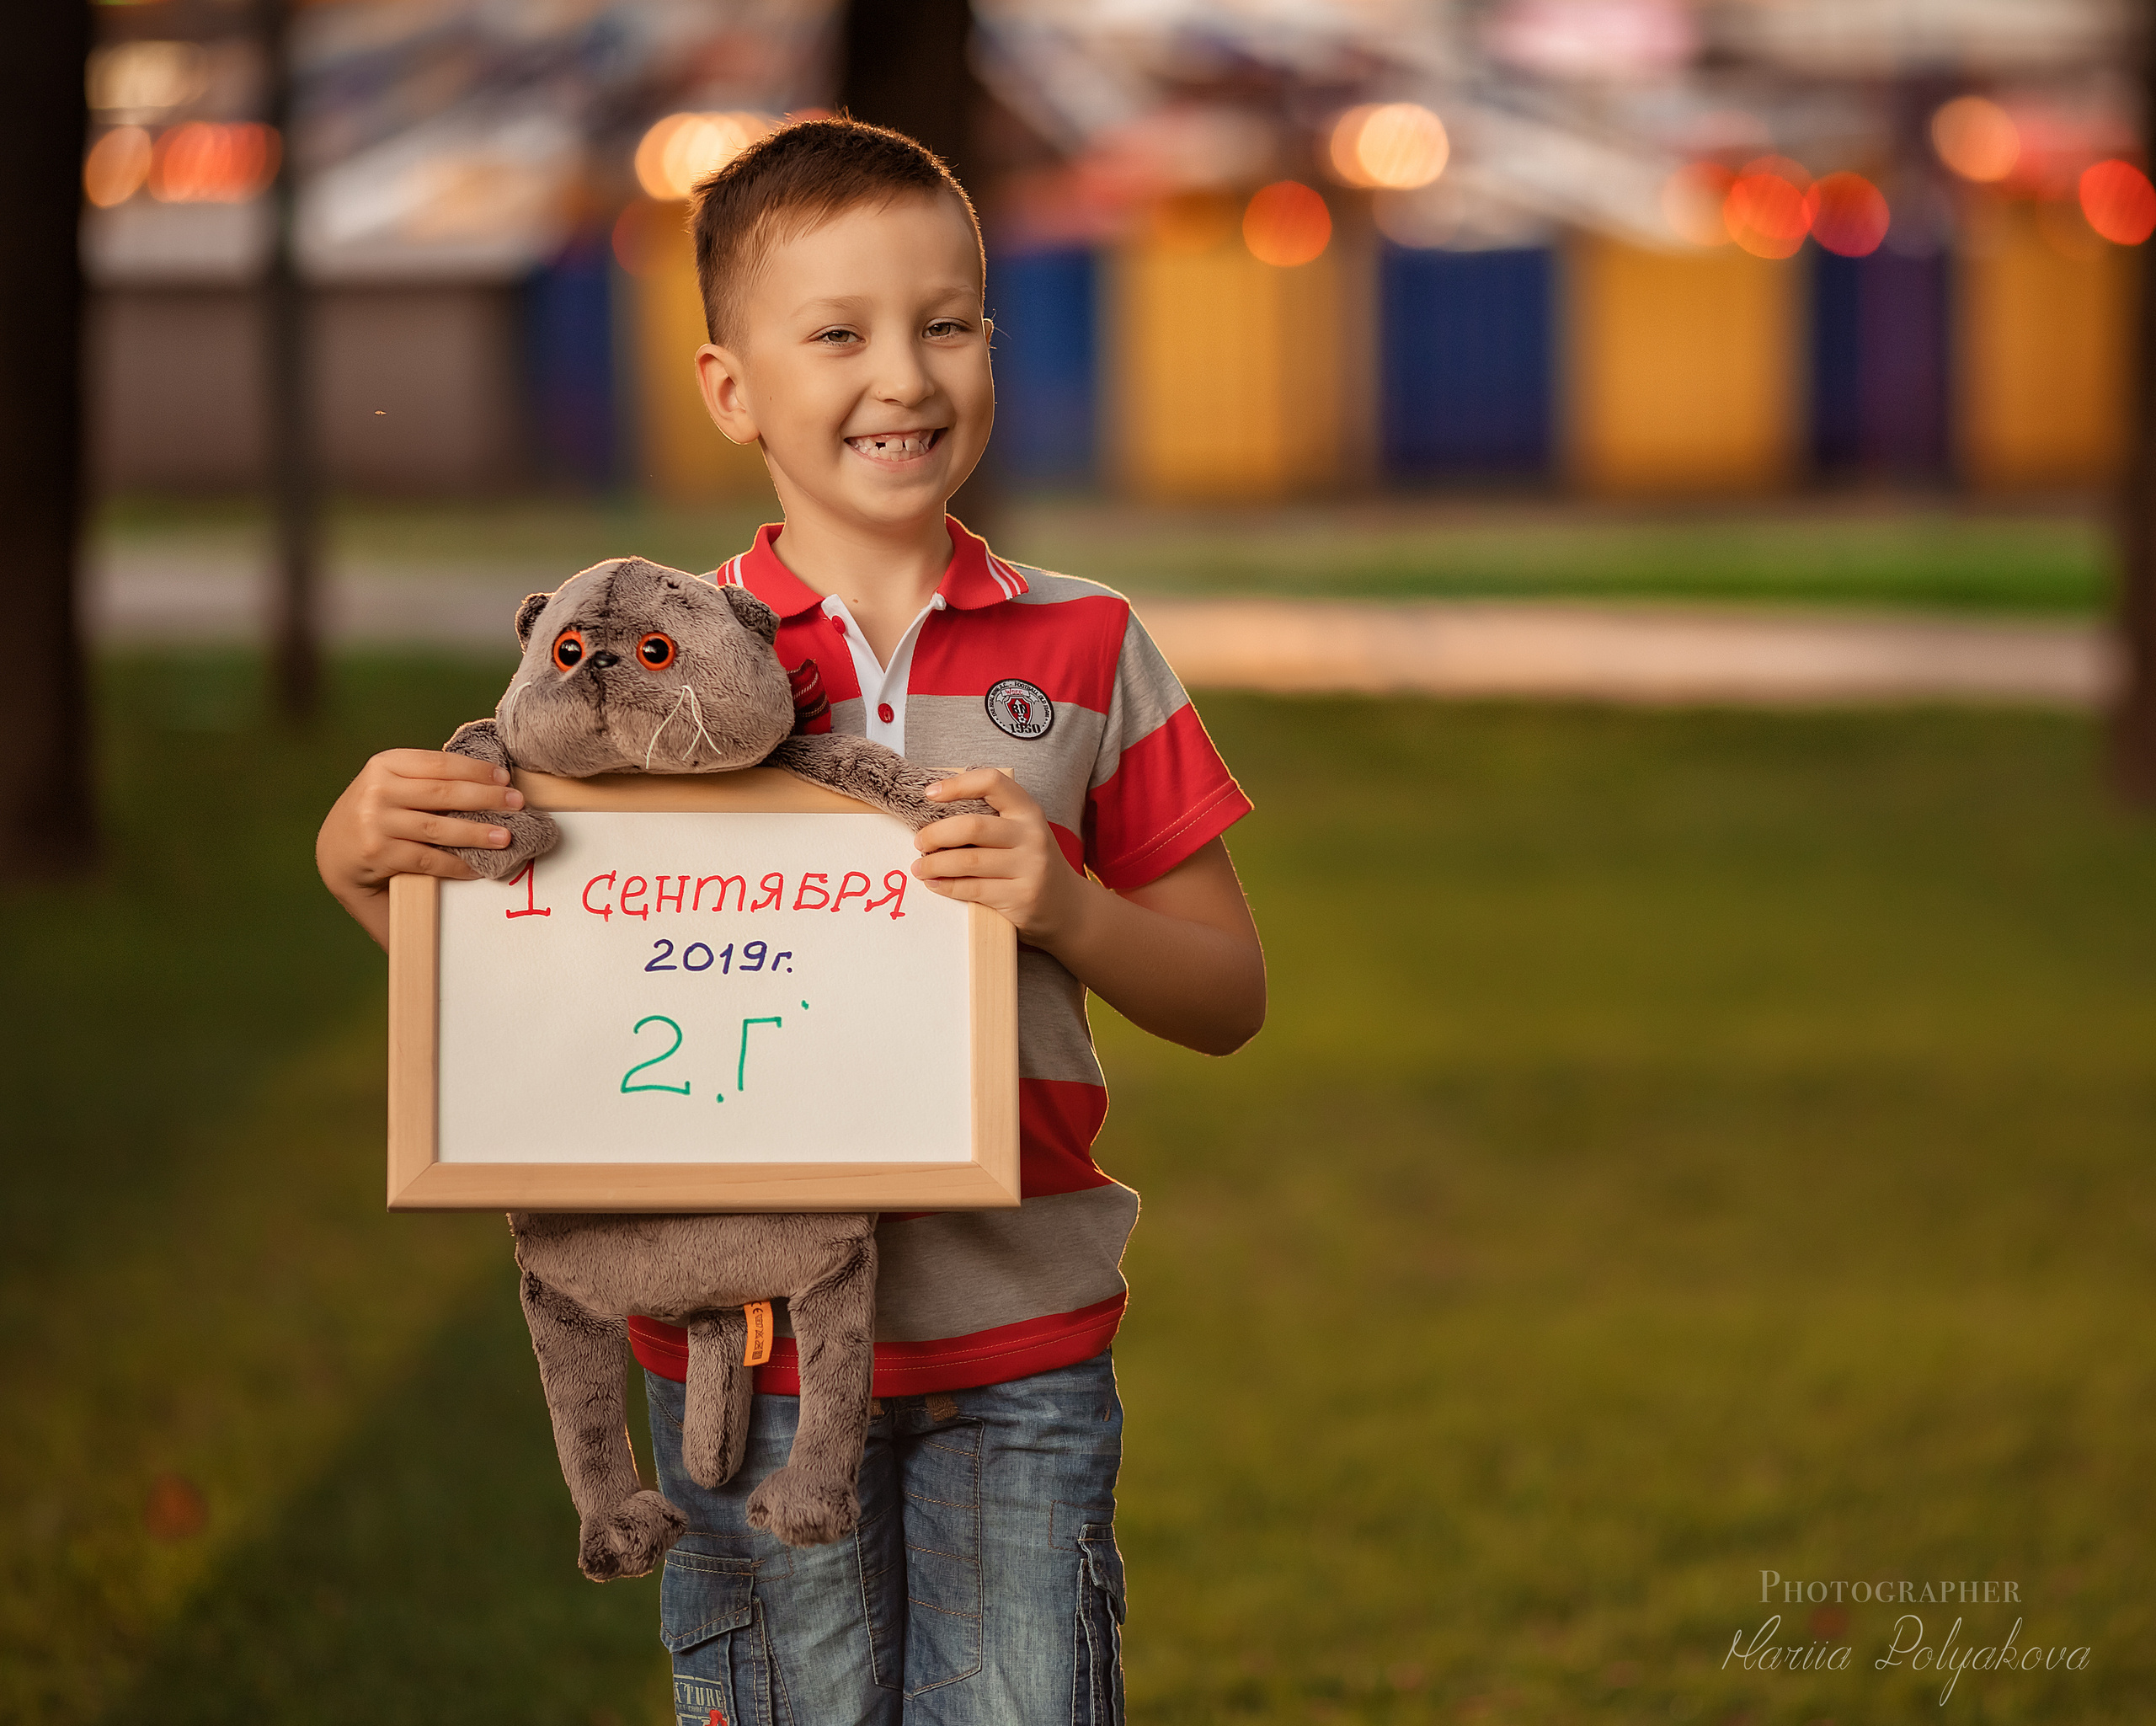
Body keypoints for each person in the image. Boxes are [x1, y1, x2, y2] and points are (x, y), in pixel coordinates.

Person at [315, 116, 1265, 1724]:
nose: (902, 374)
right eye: (838, 333)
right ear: (731, 388)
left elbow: (1227, 987)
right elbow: (554, 998)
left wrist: (1067, 903)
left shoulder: (1095, 646)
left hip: (1020, 1346)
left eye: (945, 322)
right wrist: (359, 859)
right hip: (736, 1370)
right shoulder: (636, 666)